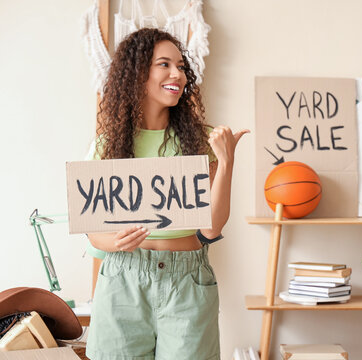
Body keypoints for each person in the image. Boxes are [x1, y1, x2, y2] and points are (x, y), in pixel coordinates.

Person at [85, 28, 248, 360]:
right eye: (164, 64)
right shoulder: (107, 146)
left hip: (186, 279)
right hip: (122, 277)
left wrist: (227, 161)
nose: (178, 74)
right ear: (137, 74)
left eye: (181, 66)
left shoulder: (201, 142)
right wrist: (115, 242)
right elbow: (94, 233)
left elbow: (211, 229)